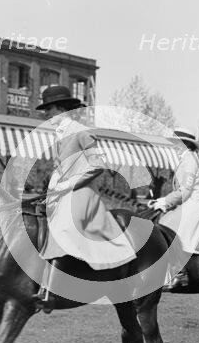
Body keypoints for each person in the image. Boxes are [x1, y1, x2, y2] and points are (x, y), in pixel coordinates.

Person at [34, 86, 138, 312]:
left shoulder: (81, 131)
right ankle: (44, 284)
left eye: (49, 109)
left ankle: (51, 292)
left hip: (82, 192)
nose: (46, 114)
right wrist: (51, 191)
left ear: (62, 109)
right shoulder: (59, 133)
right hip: (61, 192)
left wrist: (68, 185)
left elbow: (97, 165)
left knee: (62, 227)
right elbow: (60, 169)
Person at [151, 126, 199, 291]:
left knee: (168, 228)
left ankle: (180, 273)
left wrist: (166, 202)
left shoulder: (189, 160)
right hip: (185, 203)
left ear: (185, 144)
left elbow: (185, 190)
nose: (174, 146)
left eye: (176, 143)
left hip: (193, 204)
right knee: (162, 222)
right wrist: (162, 200)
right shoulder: (184, 159)